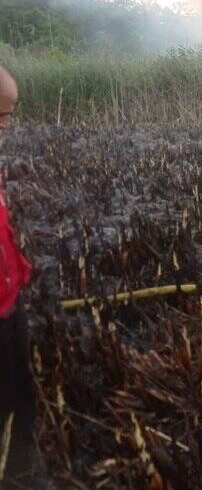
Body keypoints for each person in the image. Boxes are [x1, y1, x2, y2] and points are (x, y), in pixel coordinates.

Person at [0, 66, 36, 486]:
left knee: (22, 391)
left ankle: (23, 468)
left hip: (11, 295)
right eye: (2, 115)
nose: (8, 124)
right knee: (9, 400)